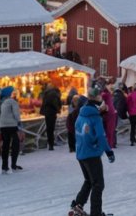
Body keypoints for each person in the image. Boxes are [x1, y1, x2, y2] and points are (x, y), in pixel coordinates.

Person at [71, 86, 115, 216]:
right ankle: (95, 213)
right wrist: (108, 151)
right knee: (98, 184)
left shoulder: (81, 114)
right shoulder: (95, 117)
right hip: (91, 154)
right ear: (96, 98)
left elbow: (77, 131)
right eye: (100, 97)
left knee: (89, 180)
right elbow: (101, 136)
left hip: (81, 153)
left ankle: (78, 204)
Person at [0, 86, 22, 173]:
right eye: (12, 92)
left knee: (6, 146)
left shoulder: (2, 103)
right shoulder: (13, 102)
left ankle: (4, 167)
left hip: (3, 126)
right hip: (11, 125)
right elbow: (16, 114)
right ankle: (14, 165)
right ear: (10, 94)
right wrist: (19, 122)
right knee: (16, 145)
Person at [40, 83, 62, 151]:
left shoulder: (46, 93)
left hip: (47, 112)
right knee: (51, 128)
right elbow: (55, 103)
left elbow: (44, 103)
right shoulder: (53, 94)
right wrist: (58, 109)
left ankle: (50, 143)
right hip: (52, 112)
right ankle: (51, 144)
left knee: (49, 128)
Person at [99, 82, 117, 149]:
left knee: (109, 130)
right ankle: (110, 144)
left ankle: (109, 145)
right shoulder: (107, 94)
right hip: (110, 113)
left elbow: (99, 99)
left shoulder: (105, 94)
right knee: (110, 130)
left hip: (109, 113)